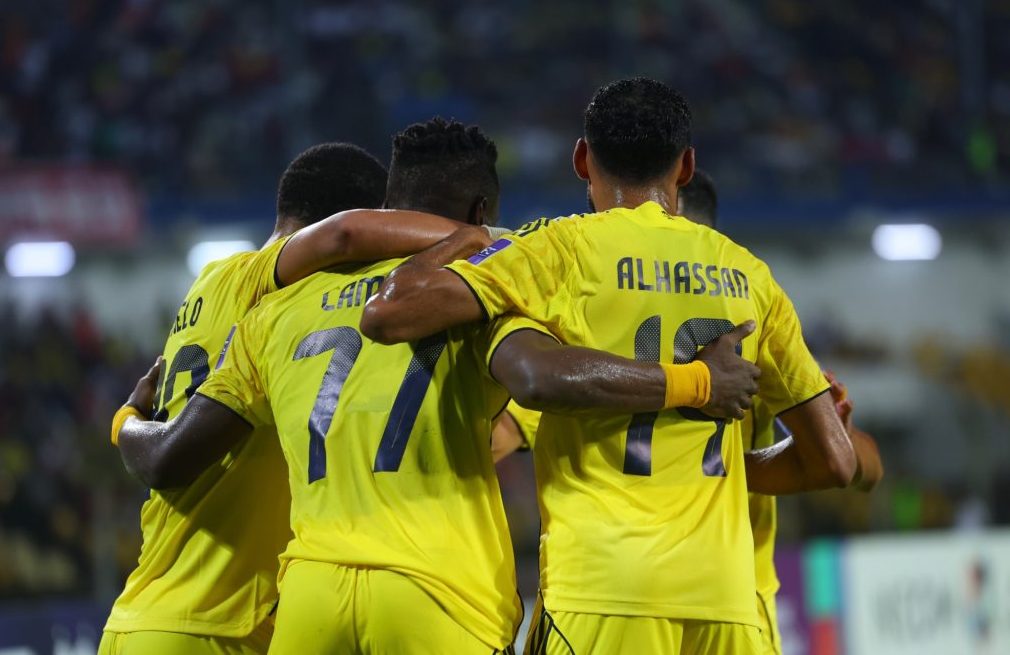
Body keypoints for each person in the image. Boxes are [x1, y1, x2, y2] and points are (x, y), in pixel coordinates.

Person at [111, 117, 762, 654]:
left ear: (386, 210)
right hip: (441, 591)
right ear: (479, 213)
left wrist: (124, 421)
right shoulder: (480, 295)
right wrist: (694, 380)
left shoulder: (274, 311)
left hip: (310, 594)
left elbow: (175, 454)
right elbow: (535, 381)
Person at [359, 78, 858, 654]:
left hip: (600, 592)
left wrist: (472, 238)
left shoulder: (557, 250)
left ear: (581, 159)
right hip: (726, 605)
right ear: (686, 166)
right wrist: (698, 469)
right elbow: (836, 462)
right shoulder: (749, 274)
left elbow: (393, 312)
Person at [100, 141, 498, 655]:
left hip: (141, 613)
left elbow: (161, 454)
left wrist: (124, 419)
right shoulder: (262, 286)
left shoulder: (209, 285)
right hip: (218, 624)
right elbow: (343, 234)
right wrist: (486, 239)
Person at [677, 172, 883, 655]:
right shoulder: (615, 344)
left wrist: (728, 468)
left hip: (733, 604)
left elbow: (864, 466)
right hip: (640, 597)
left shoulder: (755, 336)